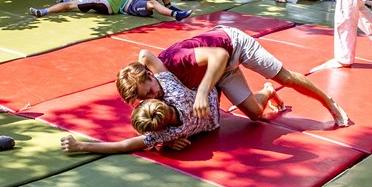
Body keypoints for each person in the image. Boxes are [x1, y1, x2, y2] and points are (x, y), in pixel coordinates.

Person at [117, 26, 349, 127]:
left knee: (285, 78)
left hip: (233, 46)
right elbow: (143, 56)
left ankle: (330, 102)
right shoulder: (152, 84)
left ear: (150, 74)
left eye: (149, 91)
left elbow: (218, 56)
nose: (153, 97)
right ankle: (267, 91)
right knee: (256, 116)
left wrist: (201, 92)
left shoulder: (175, 60)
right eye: (146, 98)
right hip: (217, 73)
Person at [60, 52, 226, 154]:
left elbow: (123, 146)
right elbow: (145, 54)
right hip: (211, 86)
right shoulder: (173, 90)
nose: (151, 96)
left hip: (212, 113)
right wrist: (140, 74)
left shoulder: (166, 134)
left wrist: (80, 146)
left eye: (148, 95)